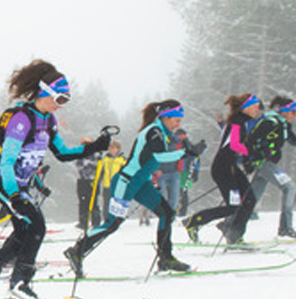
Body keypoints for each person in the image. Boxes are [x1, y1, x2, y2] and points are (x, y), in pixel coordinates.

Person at [0, 60, 111, 299]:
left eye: (65, 100)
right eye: (59, 98)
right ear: (44, 92)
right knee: (36, 226)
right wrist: (14, 195)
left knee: (25, 232)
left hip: (20, 184)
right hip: (4, 180)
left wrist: (94, 146)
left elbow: (63, 153)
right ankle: (19, 283)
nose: (60, 104)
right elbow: (7, 161)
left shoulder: (48, 121)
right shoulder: (22, 119)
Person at [64, 100, 206, 278]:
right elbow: (159, 156)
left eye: (180, 121)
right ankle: (77, 251)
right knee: (112, 224)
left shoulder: (161, 132)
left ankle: (166, 258)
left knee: (167, 213)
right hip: (126, 183)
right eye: (176, 120)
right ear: (165, 117)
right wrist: (187, 153)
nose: (178, 124)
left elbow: (147, 160)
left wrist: (187, 151)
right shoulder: (154, 131)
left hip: (141, 183)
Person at [223, 97, 296, 242]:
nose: (294, 116)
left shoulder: (283, 125)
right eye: (293, 112)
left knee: (252, 198)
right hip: (262, 163)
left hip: (267, 164)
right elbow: (249, 141)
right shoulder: (269, 123)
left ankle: (228, 222)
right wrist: (250, 159)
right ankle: (285, 227)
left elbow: (293, 141)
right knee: (289, 187)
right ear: (283, 111)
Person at [182, 94, 262, 242]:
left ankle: (234, 234)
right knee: (233, 206)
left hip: (231, 167)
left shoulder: (242, 122)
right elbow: (235, 145)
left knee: (249, 200)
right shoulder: (237, 122)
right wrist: (252, 152)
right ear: (246, 107)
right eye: (255, 106)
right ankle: (194, 221)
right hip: (223, 169)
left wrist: (248, 160)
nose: (257, 110)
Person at [75, 148, 102, 231]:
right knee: (83, 202)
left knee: (93, 202)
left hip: (92, 181)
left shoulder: (96, 156)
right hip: (82, 181)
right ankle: (83, 222)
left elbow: (99, 167)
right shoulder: (80, 155)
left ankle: (96, 222)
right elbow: (78, 165)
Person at [98, 141, 126, 217]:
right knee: (106, 203)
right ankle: (106, 218)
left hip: (118, 185)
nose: (111, 149)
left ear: (118, 149)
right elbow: (101, 172)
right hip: (107, 185)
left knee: (116, 203)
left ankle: (115, 218)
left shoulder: (122, 160)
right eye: (110, 147)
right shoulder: (105, 159)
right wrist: (97, 182)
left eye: (113, 148)